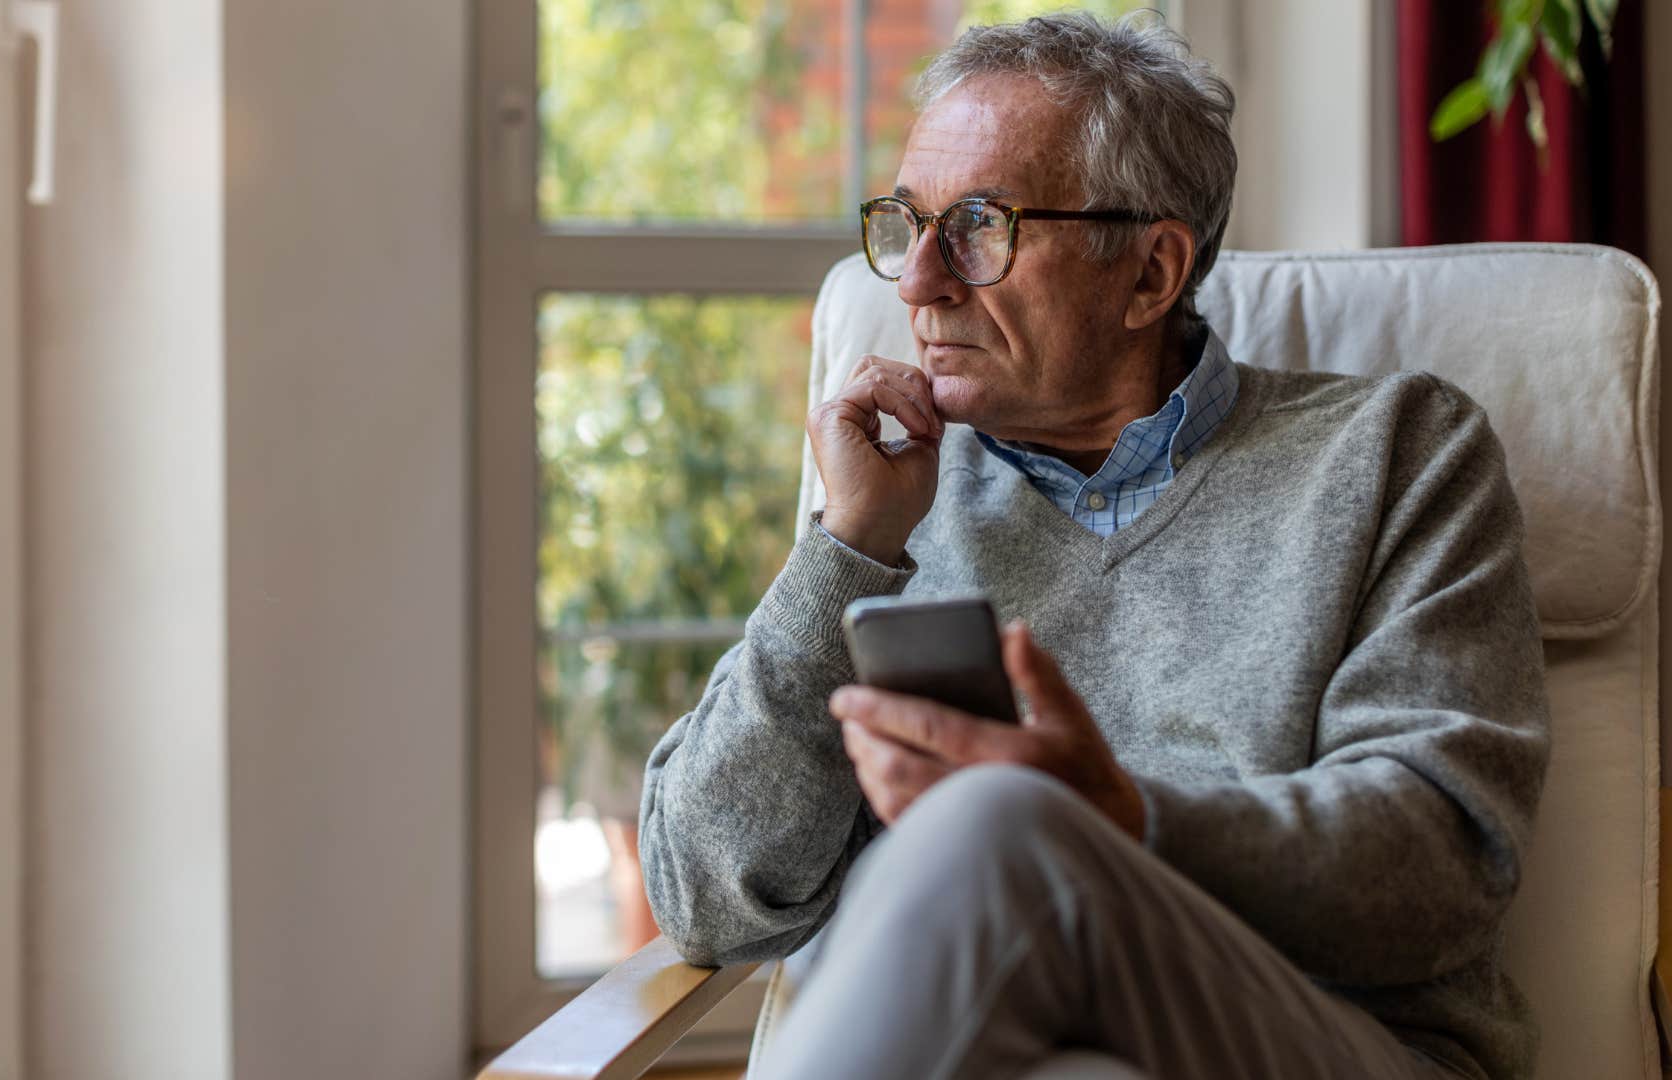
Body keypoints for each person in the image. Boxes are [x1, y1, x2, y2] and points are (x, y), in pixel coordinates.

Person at [636, 11, 1548, 1080]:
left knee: (995, 829)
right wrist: (850, 545)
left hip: (1316, 1041)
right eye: (904, 223)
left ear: (1152, 275)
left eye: (977, 225)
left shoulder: (1395, 454)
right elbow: (704, 899)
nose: (918, 280)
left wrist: (1117, 817)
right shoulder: (889, 503)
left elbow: (1445, 863)